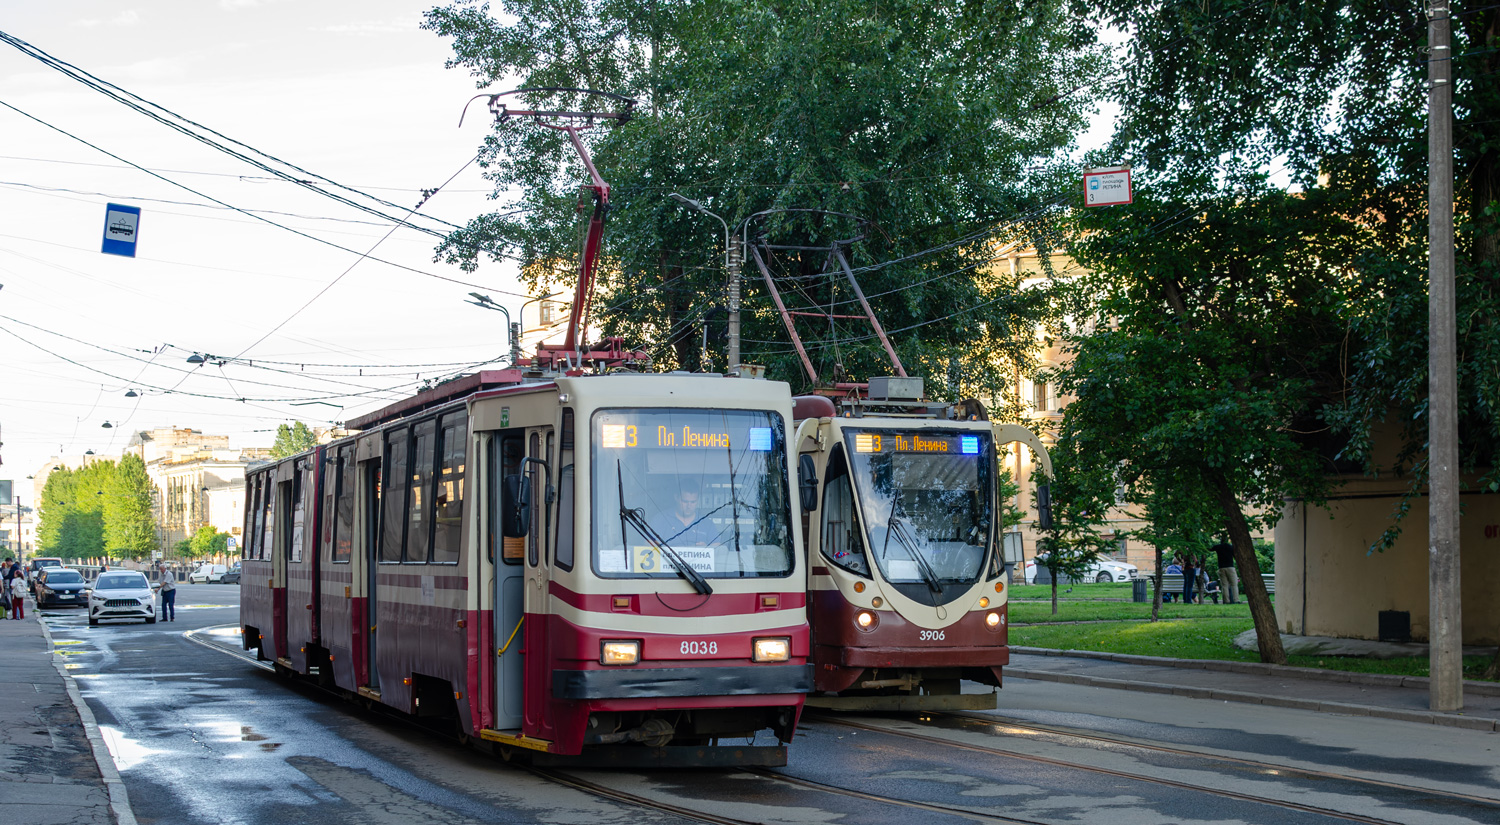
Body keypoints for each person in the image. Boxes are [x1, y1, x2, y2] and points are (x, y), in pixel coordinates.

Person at [651, 478, 719, 546]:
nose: (689, 506)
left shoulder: (707, 524)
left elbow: (718, 549)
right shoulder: (661, 519)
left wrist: (707, 548)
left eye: (693, 502)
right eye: (685, 501)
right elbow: (649, 545)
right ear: (676, 497)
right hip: (668, 556)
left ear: (698, 500)